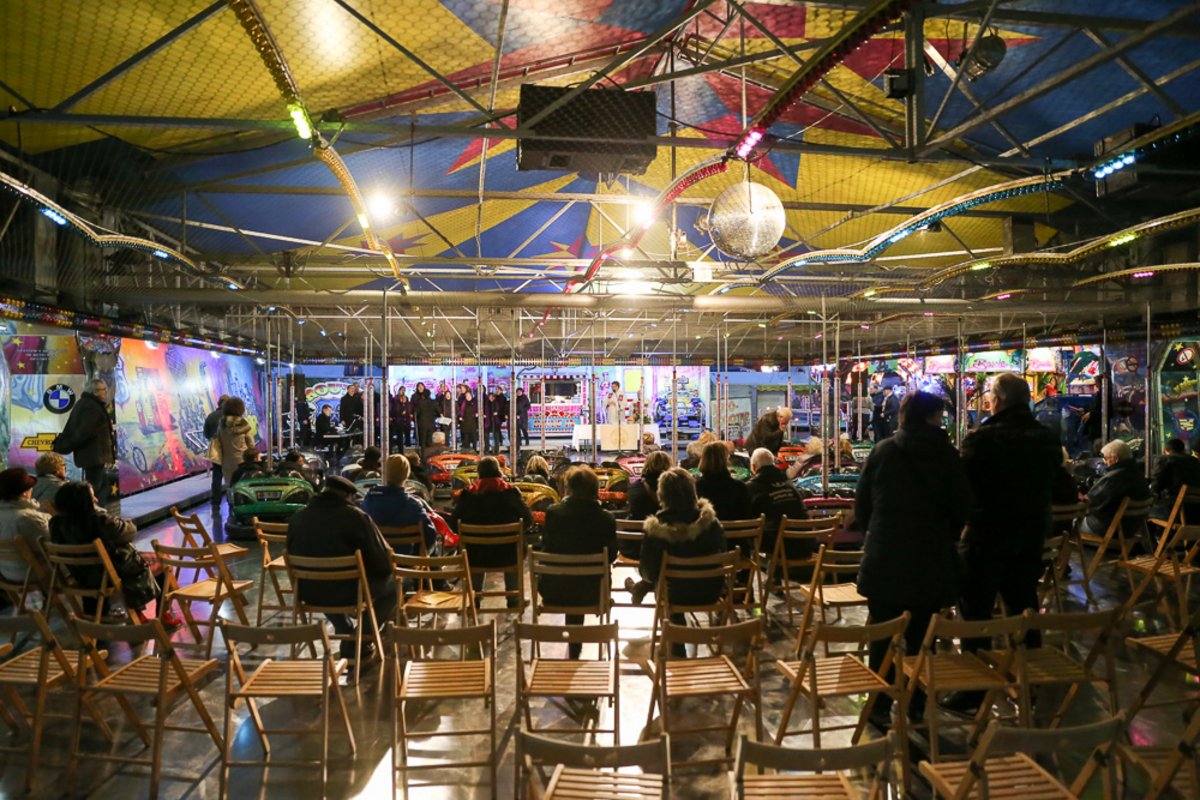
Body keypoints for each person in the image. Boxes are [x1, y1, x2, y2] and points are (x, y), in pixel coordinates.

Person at [855, 391, 972, 726]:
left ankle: (878, 705)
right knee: (923, 638)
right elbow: (962, 506)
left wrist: (878, 535)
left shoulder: (883, 451)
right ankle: (916, 704)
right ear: (932, 417)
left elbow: (862, 507)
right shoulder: (946, 455)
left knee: (882, 635)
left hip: (885, 558)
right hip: (930, 560)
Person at [956, 373, 1062, 679]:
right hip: (1031, 533)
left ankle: (977, 681)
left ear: (997, 400)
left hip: (986, 534)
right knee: (1024, 604)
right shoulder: (1047, 438)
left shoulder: (982, 439)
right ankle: (1031, 677)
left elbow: (963, 488)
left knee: (976, 611)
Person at [287, 475, 395, 659]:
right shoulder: (356, 517)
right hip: (351, 592)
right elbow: (382, 564)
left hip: (307, 591)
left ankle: (344, 628)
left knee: (323, 581)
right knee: (396, 585)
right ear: (347, 496)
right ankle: (360, 638)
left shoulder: (298, 518)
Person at [626, 469, 728, 647]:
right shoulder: (711, 523)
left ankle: (676, 643)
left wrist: (648, 581)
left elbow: (647, 572)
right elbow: (723, 555)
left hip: (674, 594)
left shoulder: (657, 529)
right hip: (711, 590)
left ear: (662, 495)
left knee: (664, 580)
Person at [49, 481, 176, 625]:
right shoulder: (99, 521)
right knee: (163, 560)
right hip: (110, 575)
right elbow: (129, 532)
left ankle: (139, 615)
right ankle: (163, 615)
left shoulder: (56, 524)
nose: (96, 499)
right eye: (92, 497)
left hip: (83, 576)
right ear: (84, 502)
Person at [538, 465, 618, 658]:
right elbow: (611, 556)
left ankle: (574, 645)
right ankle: (575, 646)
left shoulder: (553, 514)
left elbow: (546, 549)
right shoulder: (606, 518)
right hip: (594, 592)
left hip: (554, 590)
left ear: (568, 488)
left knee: (570, 576)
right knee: (581, 579)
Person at [452, 457, 532, 607]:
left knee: (472, 548)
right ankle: (513, 597)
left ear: (479, 473)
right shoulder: (511, 494)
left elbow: (454, 525)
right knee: (516, 545)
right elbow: (528, 521)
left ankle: (474, 597)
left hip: (475, 556)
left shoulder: (467, 496)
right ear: (499, 472)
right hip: (508, 556)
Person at [52, 378, 116, 506]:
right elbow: (84, 432)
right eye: (103, 389)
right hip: (93, 456)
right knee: (94, 490)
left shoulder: (86, 404)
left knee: (101, 487)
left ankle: (99, 512)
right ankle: (91, 513)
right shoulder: (92, 407)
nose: (106, 392)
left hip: (93, 456)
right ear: (95, 392)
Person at [746, 447, 809, 569]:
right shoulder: (790, 484)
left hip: (779, 547)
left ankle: (743, 576)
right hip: (804, 544)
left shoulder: (752, 488)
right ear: (773, 463)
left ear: (753, 467)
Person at [362, 455, 437, 555]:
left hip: (378, 561)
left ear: (385, 473)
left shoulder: (369, 502)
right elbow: (430, 535)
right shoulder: (414, 505)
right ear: (407, 474)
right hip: (407, 561)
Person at [1082, 439, 1151, 542]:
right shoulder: (1139, 475)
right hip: (1133, 528)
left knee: (1073, 523)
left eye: (1106, 459)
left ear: (1115, 459)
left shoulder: (1113, 478)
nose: (1105, 462)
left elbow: (1091, 502)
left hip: (1109, 529)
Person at [0, 468, 49, 584]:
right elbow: (53, 545)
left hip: (7, 573)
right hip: (35, 574)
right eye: (30, 487)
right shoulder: (29, 518)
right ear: (24, 492)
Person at [694, 441, 753, 521]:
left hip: (707, 529)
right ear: (726, 459)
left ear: (703, 459)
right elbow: (748, 516)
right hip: (736, 528)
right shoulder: (739, 488)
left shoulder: (696, 488)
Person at [218, 398, 257, 501]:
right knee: (243, 488)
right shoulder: (243, 423)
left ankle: (231, 505)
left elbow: (218, 441)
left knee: (230, 487)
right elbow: (251, 443)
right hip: (242, 461)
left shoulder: (222, 424)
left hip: (226, 461)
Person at [1151, 437, 1200, 517]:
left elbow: (1155, 487)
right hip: (1196, 513)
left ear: (1166, 450)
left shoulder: (1164, 459)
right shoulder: (1195, 461)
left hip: (1176, 512)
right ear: (1183, 450)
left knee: (1146, 510)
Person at [628, 451, 672, 522]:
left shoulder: (634, 486)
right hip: (660, 527)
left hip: (635, 527)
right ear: (667, 465)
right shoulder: (670, 486)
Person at [204, 394, 230, 505]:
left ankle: (215, 500)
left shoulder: (211, 416)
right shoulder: (232, 417)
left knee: (217, 476)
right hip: (231, 449)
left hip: (216, 450)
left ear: (218, 404)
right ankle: (232, 499)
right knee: (232, 476)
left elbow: (206, 434)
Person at [412, 382, 436, 448]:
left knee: (425, 438)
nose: (420, 388)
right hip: (422, 420)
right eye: (419, 387)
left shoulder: (425, 400)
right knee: (424, 437)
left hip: (425, 421)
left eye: (421, 386)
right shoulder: (415, 396)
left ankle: (425, 451)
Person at [486, 388, 507, 454]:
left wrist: (497, 413)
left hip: (495, 421)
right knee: (486, 435)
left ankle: (496, 449)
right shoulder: (486, 404)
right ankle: (487, 448)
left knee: (496, 435)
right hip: (488, 422)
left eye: (492, 397)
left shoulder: (496, 403)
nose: (491, 398)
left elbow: (499, 410)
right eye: (490, 397)